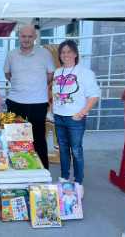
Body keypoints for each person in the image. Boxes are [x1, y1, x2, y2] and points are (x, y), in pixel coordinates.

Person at [52, 39, 100, 198]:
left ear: (75, 54)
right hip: (59, 117)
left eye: (69, 51)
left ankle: (78, 182)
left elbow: (94, 95)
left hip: (75, 118)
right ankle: (64, 178)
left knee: (77, 151)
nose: (65, 55)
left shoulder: (85, 72)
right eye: (63, 52)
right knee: (63, 150)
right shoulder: (58, 72)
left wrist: (81, 113)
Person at [4, 25, 55, 169]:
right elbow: (7, 74)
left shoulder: (45, 54)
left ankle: (43, 171)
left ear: (35, 37)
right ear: (19, 37)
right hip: (15, 102)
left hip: (38, 103)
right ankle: (17, 170)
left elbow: (50, 75)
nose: (26, 39)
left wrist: (35, 86)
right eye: (23, 36)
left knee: (38, 139)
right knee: (15, 139)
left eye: (29, 36)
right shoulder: (11, 54)